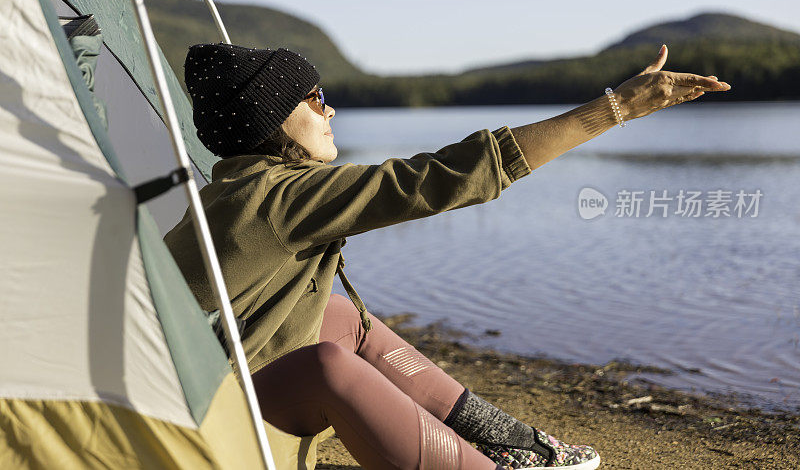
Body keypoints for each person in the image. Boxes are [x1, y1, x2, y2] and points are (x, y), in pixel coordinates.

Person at [164, 43, 731, 469]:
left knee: (338, 317)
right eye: (314, 98)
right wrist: (613, 109)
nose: (330, 109)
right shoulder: (279, 198)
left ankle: (512, 443)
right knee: (324, 367)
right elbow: (440, 179)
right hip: (187, 427)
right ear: (271, 120)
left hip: (195, 388)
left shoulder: (235, 189)